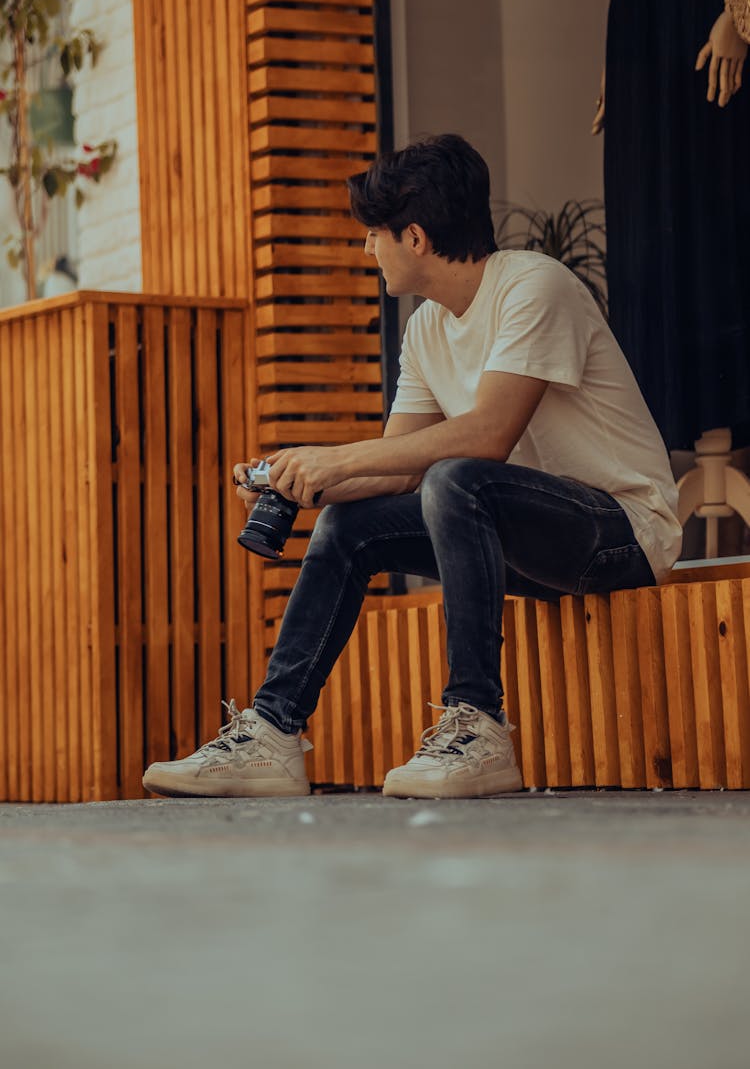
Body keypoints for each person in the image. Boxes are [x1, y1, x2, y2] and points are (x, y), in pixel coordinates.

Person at [142, 134, 682, 801]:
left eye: (374, 235)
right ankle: (272, 733)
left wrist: (338, 457)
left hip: (623, 531)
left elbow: (487, 433)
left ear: (416, 237)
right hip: (525, 536)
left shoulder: (534, 287)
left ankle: (477, 726)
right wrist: (304, 478)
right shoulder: (426, 328)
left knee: (457, 478)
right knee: (349, 522)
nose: (368, 249)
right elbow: (396, 469)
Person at [593, 0, 750, 452]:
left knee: (707, 203)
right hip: (638, 16)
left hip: (697, 5)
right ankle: (672, 425)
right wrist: (614, 65)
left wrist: (738, 10)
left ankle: (727, 427)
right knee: (645, 220)